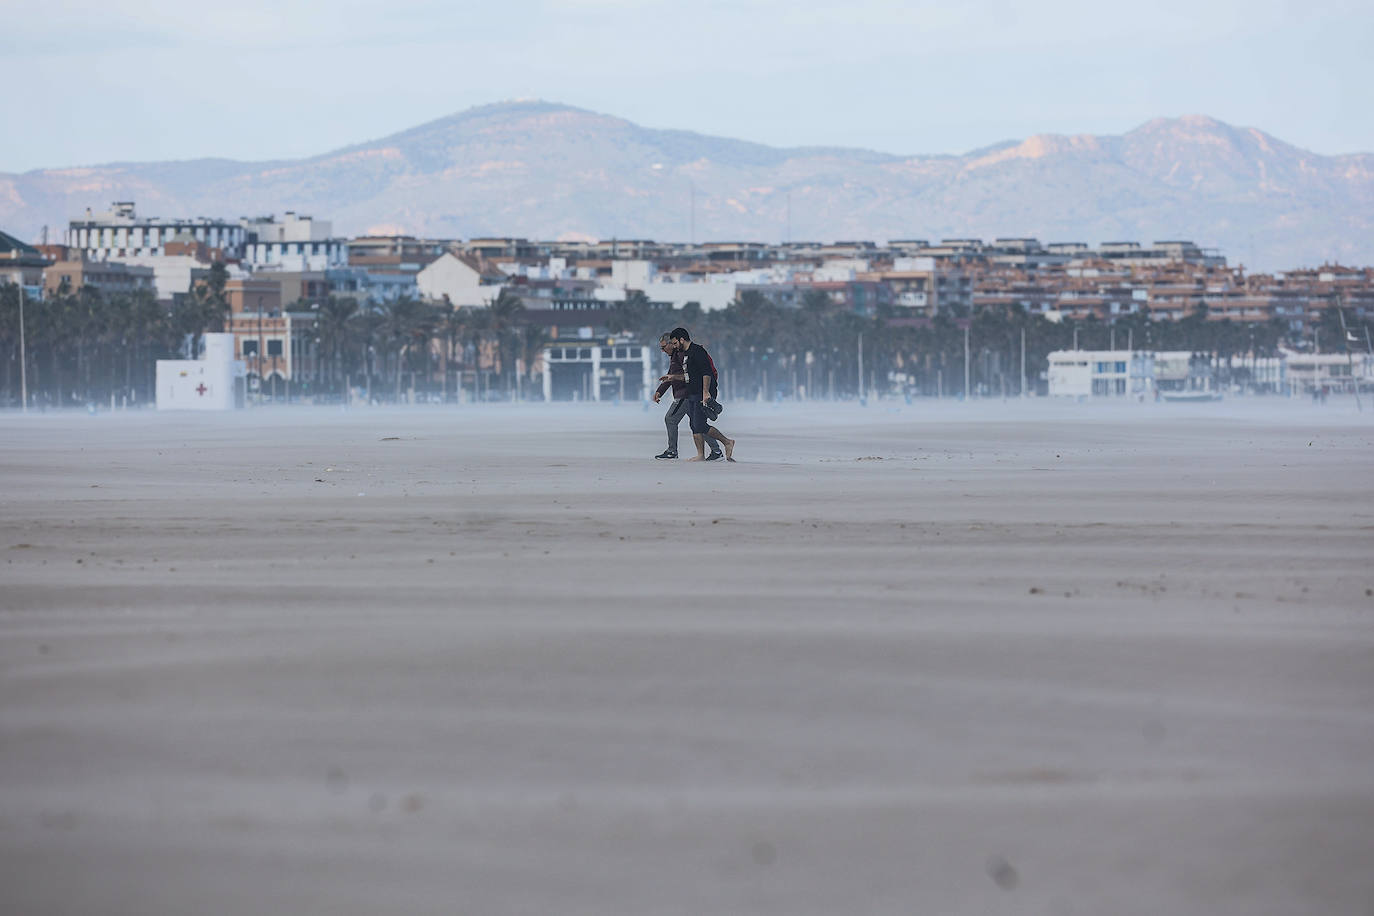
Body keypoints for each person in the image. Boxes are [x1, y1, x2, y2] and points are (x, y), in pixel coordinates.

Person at [668, 327, 735, 462]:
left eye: (675, 343)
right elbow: (689, 376)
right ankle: (700, 454)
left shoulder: (697, 351)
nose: (674, 346)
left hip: (702, 392)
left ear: (682, 339)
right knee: (694, 424)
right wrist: (673, 378)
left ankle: (727, 442)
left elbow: (707, 373)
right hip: (692, 392)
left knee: (699, 424)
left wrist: (706, 392)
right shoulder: (686, 354)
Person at [653, 333, 722, 460]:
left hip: (685, 394)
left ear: (673, 343)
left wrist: (705, 392)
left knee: (671, 419)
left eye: (664, 347)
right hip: (689, 394)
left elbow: (689, 375)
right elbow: (670, 375)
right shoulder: (676, 355)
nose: (662, 350)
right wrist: (660, 391)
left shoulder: (681, 355)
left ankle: (672, 451)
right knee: (698, 424)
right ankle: (717, 451)